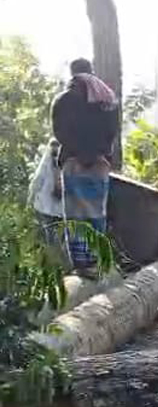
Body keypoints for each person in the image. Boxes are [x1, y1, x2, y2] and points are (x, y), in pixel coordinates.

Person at [51, 58, 119, 278]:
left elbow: (59, 132)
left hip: (73, 163)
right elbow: (112, 133)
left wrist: (79, 153)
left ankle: (81, 264)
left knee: (75, 214)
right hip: (99, 165)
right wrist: (96, 154)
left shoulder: (62, 100)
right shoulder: (107, 101)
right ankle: (98, 260)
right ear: (92, 72)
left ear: (72, 74)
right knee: (97, 212)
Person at [27, 138, 63, 246]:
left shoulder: (47, 159)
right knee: (60, 237)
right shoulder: (68, 159)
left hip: (45, 207)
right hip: (61, 209)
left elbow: (38, 179)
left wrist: (30, 197)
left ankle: (52, 257)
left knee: (50, 238)